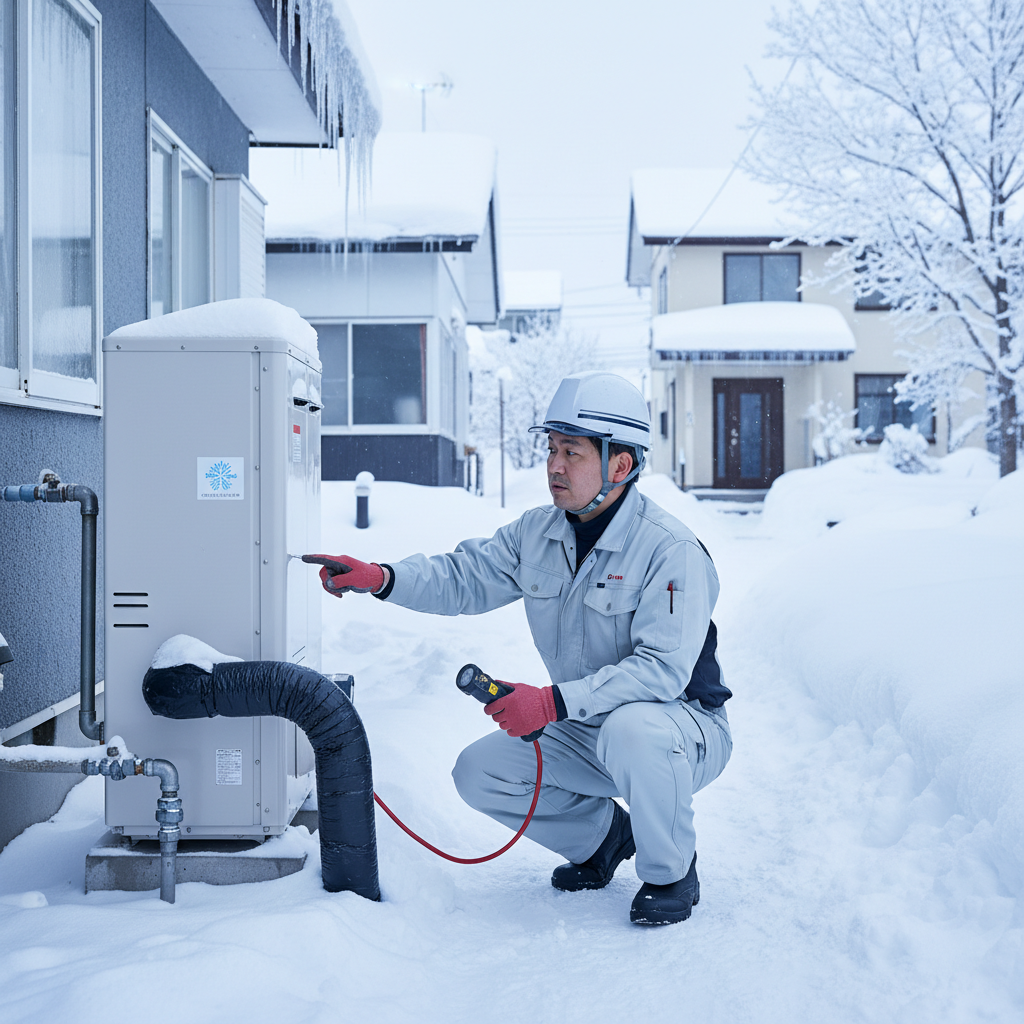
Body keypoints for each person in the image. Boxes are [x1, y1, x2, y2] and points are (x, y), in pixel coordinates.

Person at [304, 371, 732, 925]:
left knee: (635, 731)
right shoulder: (539, 533)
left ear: (620, 466)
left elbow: (661, 674)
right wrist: (382, 577)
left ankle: (670, 872)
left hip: (680, 728)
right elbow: (463, 577)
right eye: (552, 449)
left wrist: (550, 703)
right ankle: (602, 840)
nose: (554, 466)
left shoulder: (670, 551)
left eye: (572, 453)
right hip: (587, 725)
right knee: (478, 771)